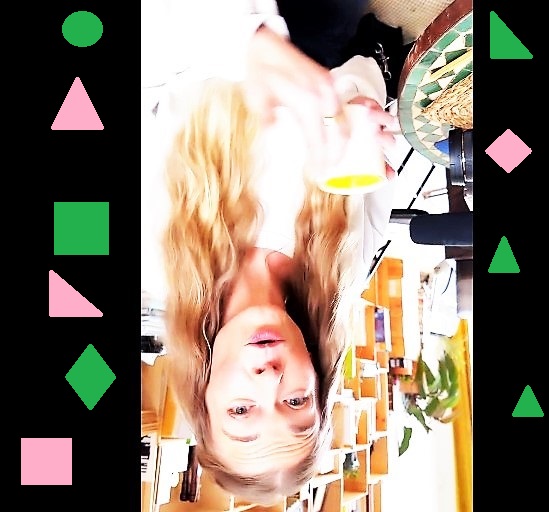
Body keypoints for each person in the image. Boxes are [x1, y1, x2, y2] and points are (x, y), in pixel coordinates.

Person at [156, 49, 396, 505]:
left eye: (241, 409)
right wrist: (351, 116)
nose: (269, 379)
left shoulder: (158, 251)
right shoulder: (347, 265)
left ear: (203, 392)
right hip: (324, 37)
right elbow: (364, 70)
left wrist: (254, 43)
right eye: (296, 402)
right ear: (318, 381)